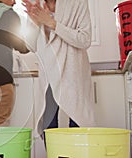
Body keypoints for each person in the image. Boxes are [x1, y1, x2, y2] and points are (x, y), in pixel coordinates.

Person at [22, 0, 96, 138]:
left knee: (78, 123)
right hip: (49, 74)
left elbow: (85, 39)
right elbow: (30, 46)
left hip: (73, 72)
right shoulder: (36, 5)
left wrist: (52, 23)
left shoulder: (78, 3)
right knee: (48, 126)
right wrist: (35, 24)